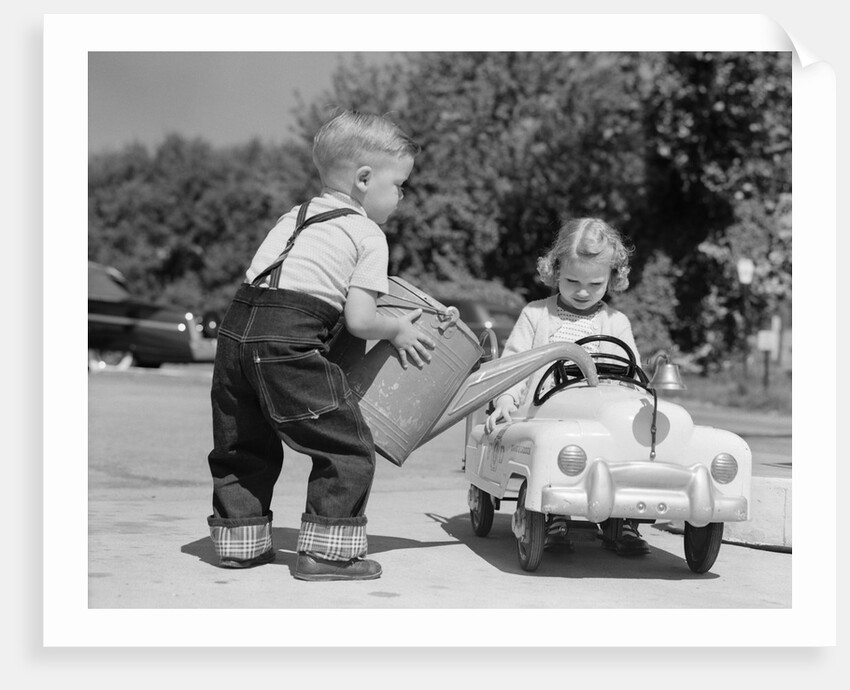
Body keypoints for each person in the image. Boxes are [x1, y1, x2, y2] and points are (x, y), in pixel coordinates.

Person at [206, 110, 435, 581]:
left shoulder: (296, 215)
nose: (402, 196)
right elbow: (359, 320)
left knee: (243, 443)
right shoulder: (368, 233)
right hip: (288, 341)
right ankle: (328, 553)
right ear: (364, 180)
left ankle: (239, 542)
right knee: (346, 442)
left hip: (235, 335)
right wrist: (396, 329)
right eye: (399, 185)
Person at [483, 217, 651, 556]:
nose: (583, 291)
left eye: (595, 283)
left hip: (599, 416)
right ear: (555, 269)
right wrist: (503, 401)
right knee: (555, 448)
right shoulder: (536, 315)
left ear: (612, 279)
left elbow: (631, 376)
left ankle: (624, 520)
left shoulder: (615, 322)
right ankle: (554, 516)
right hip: (546, 411)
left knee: (628, 447)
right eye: (572, 280)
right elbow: (514, 365)